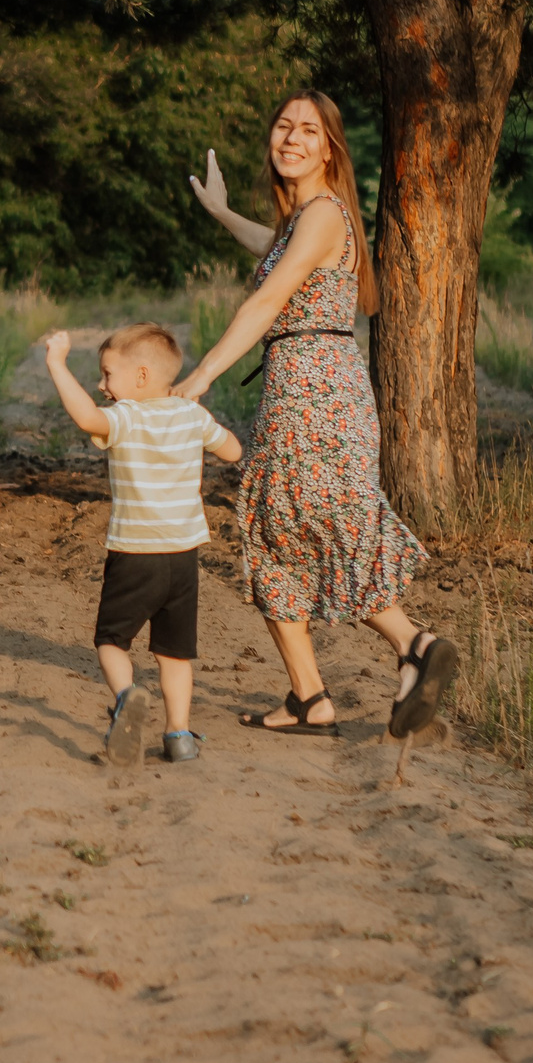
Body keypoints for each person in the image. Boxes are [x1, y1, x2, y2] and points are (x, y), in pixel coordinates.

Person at [173, 95, 459, 739]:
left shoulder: (324, 216)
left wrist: (201, 375)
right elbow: (272, 250)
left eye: (308, 131)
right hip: (314, 385)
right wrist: (221, 213)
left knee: (313, 521)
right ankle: (310, 697)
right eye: (283, 127)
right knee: (281, 527)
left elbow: (271, 294)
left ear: (329, 147)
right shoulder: (311, 219)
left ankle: (412, 642)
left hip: (313, 391)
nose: (292, 139)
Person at [42, 322, 244, 767]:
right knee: (174, 653)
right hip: (183, 557)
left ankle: (126, 697)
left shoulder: (127, 416)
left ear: (141, 377)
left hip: (135, 552)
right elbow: (232, 451)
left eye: (108, 374)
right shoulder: (191, 415)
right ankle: (179, 736)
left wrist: (57, 363)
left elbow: (86, 417)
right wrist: (199, 421)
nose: (101, 385)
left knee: (112, 642)